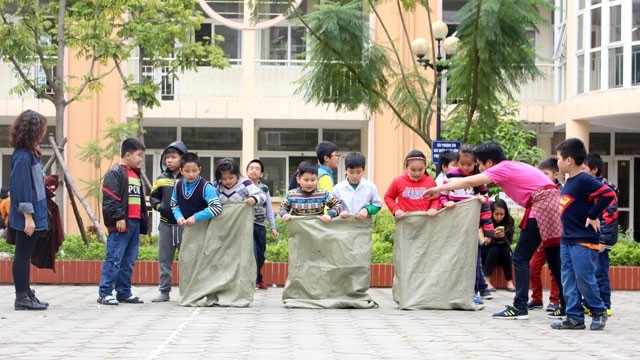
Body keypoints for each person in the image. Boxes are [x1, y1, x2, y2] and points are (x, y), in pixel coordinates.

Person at [422, 141, 564, 320]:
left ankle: (520, 306)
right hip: (550, 204)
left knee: (521, 257)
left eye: (480, 163)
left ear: (489, 162)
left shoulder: (501, 168)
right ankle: (567, 305)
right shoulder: (512, 165)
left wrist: (439, 188)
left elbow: (470, 180)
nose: (479, 168)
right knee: (553, 258)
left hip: (542, 206)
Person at [551, 138, 615, 330]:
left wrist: (593, 215)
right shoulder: (569, 181)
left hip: (583, 240)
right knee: (567, 278)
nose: (557, 162)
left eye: (559, 158)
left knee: (584, 277)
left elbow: (609, 194)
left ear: (569, 160)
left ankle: (598, 311)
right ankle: (574, 317)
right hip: (567, 239)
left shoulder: (584, 180)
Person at [439, 145, 494, 304]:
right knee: (455, 258)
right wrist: (446, 202)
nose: (465, 167)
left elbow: (485, 204)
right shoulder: (450, 175)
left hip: (472, 228)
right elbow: (442, 195)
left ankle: (473, 292)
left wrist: (488, 230)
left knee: (473, 261)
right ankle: (453, 291)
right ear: (457, 162)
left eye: (469, 165)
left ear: (476, 163)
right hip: (455, 225)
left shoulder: (480, 179)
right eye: (461, 164)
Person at [97, 138, 148, 306]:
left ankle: (124, 292)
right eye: (139, 155)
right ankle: (105, 292)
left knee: (128, 260)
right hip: (121, 224)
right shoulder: (115, 172)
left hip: (134, 223)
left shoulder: (135, 173)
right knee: (114, 258)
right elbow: (111, 198)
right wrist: (119, 217)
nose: (141, 159)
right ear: (128, 154)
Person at [8, 110, 49, 310]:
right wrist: (28, 217)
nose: (43, 131)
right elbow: (20, 187)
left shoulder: (29, 153)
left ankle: (26, 293)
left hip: (34, 212)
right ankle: (21, 297)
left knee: (24, 255)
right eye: (41, 127)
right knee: (22, 255)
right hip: (27, 215)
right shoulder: (23, 156)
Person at [149, 141, 187, 302]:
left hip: (184, 226)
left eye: (173, 157)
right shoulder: (161, 178)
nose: (169, 160)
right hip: (165, 225)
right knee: (164, 260)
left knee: (187, 259)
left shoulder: (188, 177)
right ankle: (164, 292)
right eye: (167, 157)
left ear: (182, 158)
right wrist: (160, 207)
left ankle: (187, 292)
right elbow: (153, 197)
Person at [582, 153, 618, 317]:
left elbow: (609, 217)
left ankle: (605, 303)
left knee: (600, 272)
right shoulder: (587, 187)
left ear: (594, 170)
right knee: (588, 272)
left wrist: (603, 239)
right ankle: (589, 303)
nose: (581, 172)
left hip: (600, 239)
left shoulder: (604, 190)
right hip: (587, 238)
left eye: (584, 169)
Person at [528, 158, 562, 312]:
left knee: (555, 270)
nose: (541, 177)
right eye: (539, 174)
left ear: (555, 174)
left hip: (556, 237)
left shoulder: (562, 192)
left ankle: (555, 300)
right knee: (532, 267)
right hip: (539, 239)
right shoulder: (537, 192)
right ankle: (536, 299)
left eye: (545, 174)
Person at [246, 159, 279, 290]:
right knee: (251, 252)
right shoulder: (243, 187)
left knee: (260, 254)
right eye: (251, 168)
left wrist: (273, 227)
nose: (254, 170)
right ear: (247, 171)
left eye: (257, 169)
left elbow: (269, 209)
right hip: (246, 224)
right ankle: (251, 280)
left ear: (261, 174)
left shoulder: (264, 188)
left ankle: (258, 278)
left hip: (260, 225)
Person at [279, 161, 343, 222]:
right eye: (306, 180)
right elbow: (282, 208)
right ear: (298, 179)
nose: (309, 183)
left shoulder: (323, 194)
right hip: (299, 231)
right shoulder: (291, 195)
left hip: (318, 231)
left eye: (313, 180)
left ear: (317, 179)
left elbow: (338, 205)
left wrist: (330, 215)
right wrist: (284, 214)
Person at [384, 150, 439, 220]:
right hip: (405, 221)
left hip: (426, 221)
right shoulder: (398, 181)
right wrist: (396, 209)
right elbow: (388, 197)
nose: (417, 173)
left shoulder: (430, 181)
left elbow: (436, 198)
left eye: (420, 169)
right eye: (413, 170)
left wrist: (433, 208)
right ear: (406, 167)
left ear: (425, 167)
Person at [171, 152, 223, 228]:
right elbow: (174, 204)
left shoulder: (206, 186)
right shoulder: (178, 185)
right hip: (185, 228)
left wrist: (195, 217)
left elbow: (216, 208)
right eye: (187, 171)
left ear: (199, 170)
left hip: (204, 229)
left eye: (194, 171)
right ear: (181, 171)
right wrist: (179, 216)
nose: (191, 174)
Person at [332, 152, 382, 220]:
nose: (355, 176)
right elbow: (331, 207)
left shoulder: (370, 187)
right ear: (345, 170)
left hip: (363, 226)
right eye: (351, 172)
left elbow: (377, 205)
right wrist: (339, 212)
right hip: (343, 226)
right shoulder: (337, 189)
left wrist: (367, 210)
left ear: (364, 170)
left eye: (358, 172)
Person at [482, 199, 515, 292]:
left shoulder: (509, 221)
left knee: (504, 249)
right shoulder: (486, 221)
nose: (499, 217)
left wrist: (504, 237)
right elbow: (482, 243)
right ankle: (486, 280)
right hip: (486, 253)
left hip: (502, 254)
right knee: (495, 247)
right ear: (492, 213)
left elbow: (509, 244)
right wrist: (492, 237)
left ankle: (509, 281)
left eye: (502, 214)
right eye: (496, 214)